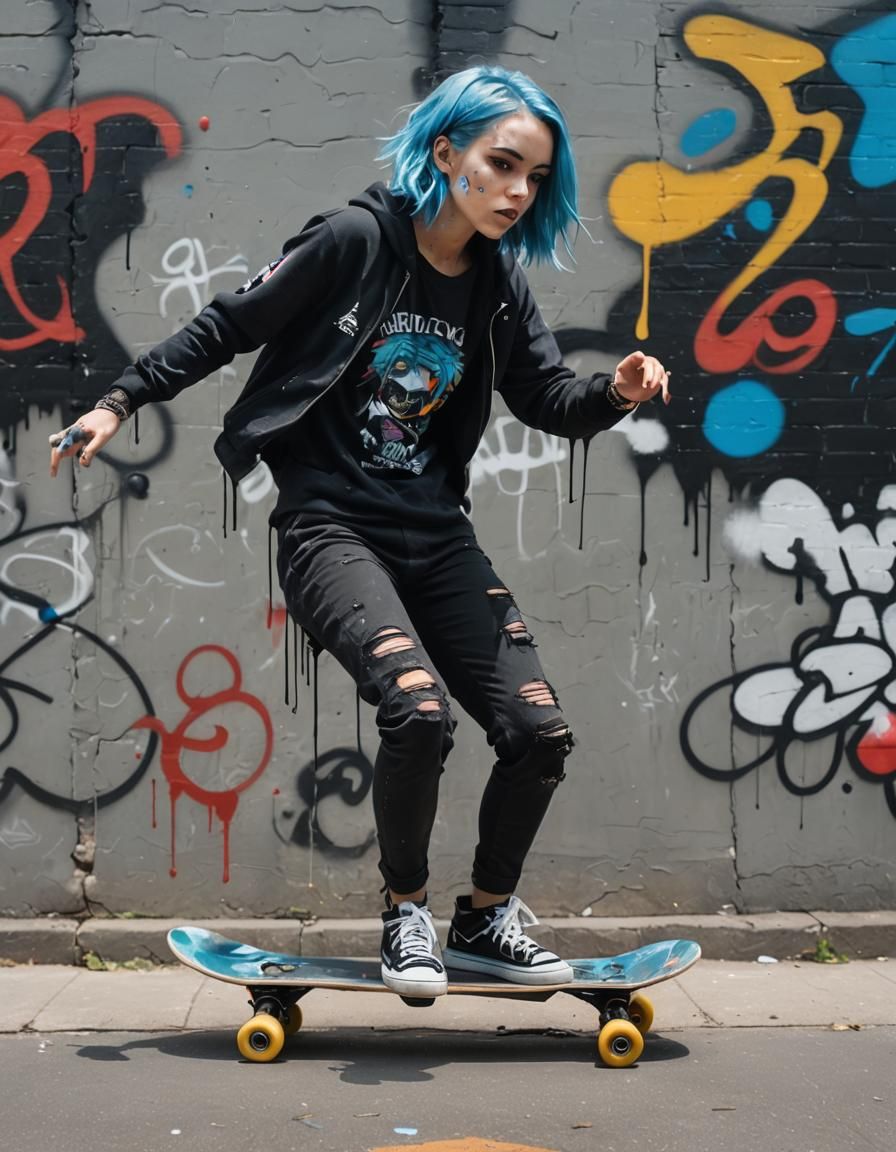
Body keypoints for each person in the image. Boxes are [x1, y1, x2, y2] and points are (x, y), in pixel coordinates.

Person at [49, 66, 670, 999]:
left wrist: (615, 394)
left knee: (538, 733)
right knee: (416, 710)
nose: (516, 191)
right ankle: (406, 914)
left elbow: (545, 398)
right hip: (330, 527)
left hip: (436, 536)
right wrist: (118, 401)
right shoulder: (352, 241)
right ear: (446, 151)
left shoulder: (498, 285)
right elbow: (230, 325)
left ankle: (484, 920)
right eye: (501, 165)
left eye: (534, 178)